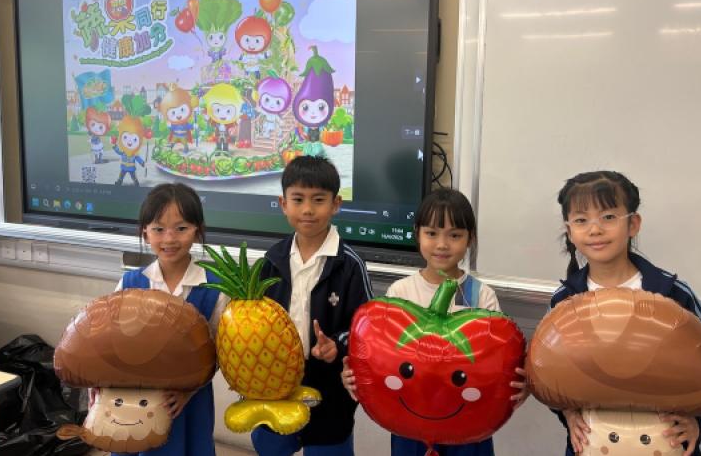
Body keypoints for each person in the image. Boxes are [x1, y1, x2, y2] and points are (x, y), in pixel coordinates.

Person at [552, 171, 701, 456]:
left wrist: (698, 421)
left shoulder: (673, 293)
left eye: (608, 217)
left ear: (633, 224)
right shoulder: (564, 300)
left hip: (667, 444)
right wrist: (567, 413)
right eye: (581, 220)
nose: (595, 229)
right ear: (569, 231)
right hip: (592, 446)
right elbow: (552, 372)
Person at [341, 188, 528, 456]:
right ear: (417, 234)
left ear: (470, 239)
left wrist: (521, 384)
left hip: (467, 423)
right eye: (431, 233)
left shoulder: (481, 295)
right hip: (410, 418)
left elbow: (498, 363)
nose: (442, 244)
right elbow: (380, 356)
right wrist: (356, 374)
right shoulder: (399, 293)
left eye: (454, 235)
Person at [251, 156, 373, 456]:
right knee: (272, 445)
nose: (307, 209)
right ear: (283, 204)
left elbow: (366, 329)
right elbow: (253, 319)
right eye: (298, 199)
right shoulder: (271, 260)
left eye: (318, 200)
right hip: (276, 384)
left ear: (335, 204)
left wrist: (337, 345)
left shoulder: (349, 265)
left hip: (329, 387)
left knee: (327, 448)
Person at [108, 183, 228, 456]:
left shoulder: (215, 289)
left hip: (187, 402)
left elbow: (219, 354)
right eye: (159, 229)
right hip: (134, 401)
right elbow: (111, 343)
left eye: (181, 228)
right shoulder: (130, 283)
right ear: (145, 232)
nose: (170, 239)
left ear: (197, 230)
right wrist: (100, 384)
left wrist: (188, 391)